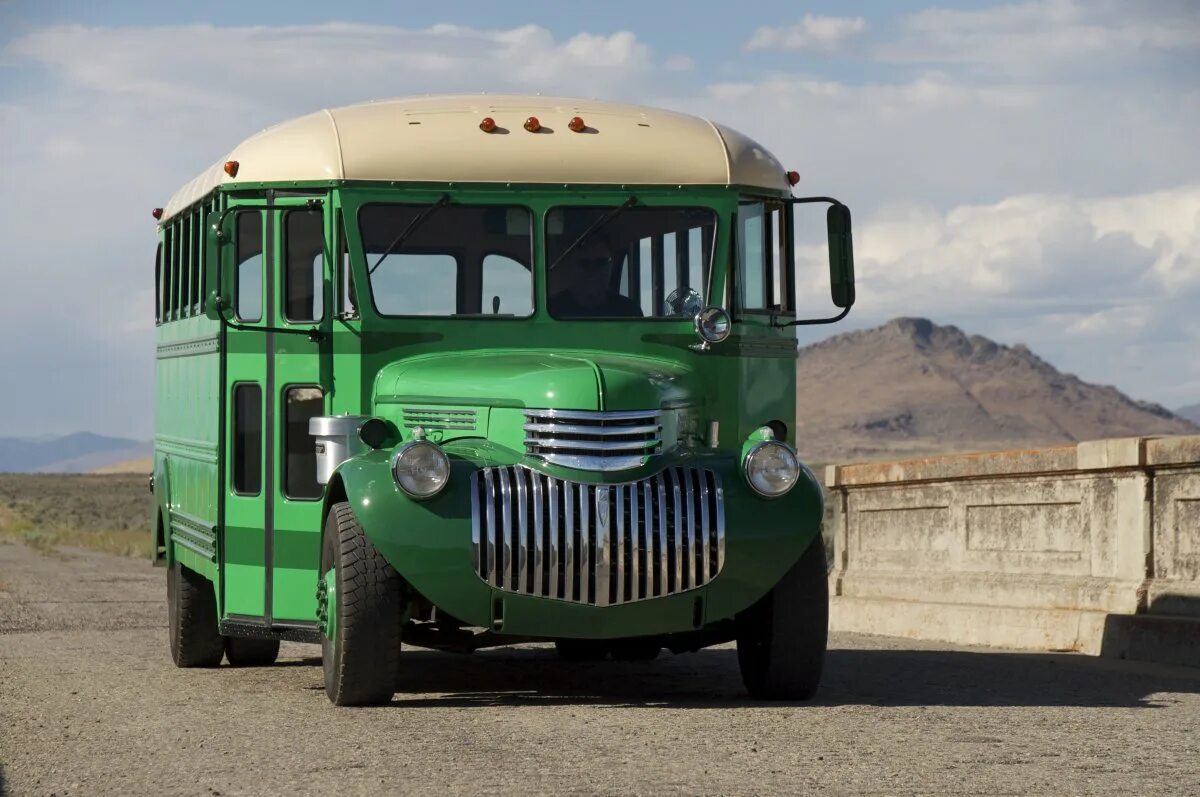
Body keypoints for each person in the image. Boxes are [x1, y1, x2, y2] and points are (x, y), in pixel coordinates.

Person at [548, 243, 643, 318]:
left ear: (611, 265)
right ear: (571, 267)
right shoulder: (552, 310)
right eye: (585, 264)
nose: (593, 270)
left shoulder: (629, 312)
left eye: (601, 263)